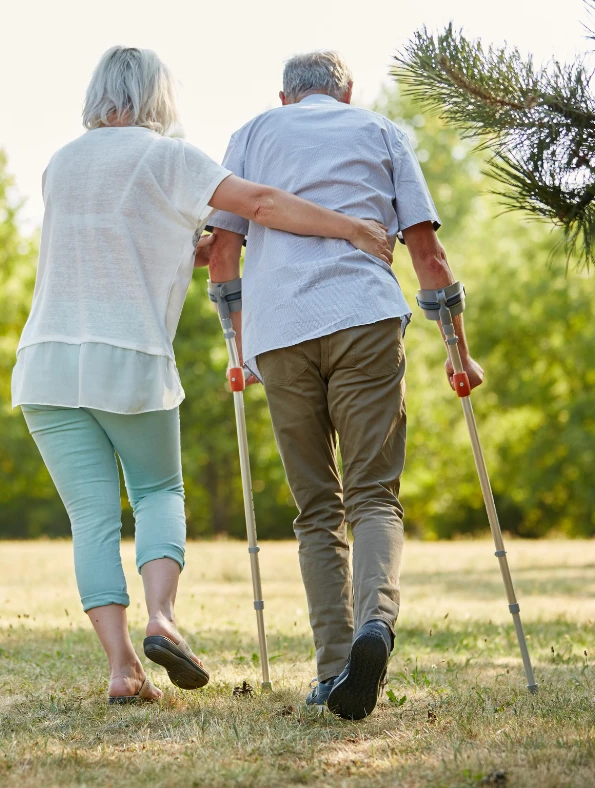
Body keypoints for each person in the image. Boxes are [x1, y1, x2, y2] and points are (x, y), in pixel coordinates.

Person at [11, 46, 393, 704]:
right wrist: (351, 229)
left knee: (92, 519)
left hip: (44, 363)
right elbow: (264, 205)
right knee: (159, 492)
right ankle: (162, 619)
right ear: (158, 96)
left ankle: (123, 668)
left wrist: (193, 251)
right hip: (128, 360)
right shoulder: (170, 158)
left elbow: (120, 243)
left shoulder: (60, 163)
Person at [206, 51, 485, 719]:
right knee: (374, 498)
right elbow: (427, 253)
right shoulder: (382, 131)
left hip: (280, 332)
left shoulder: (250, 135)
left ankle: (334, 672)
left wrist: (236, 348)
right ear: (348, 91)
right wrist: (458, 352)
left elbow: (222, 254)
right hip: (364, 317)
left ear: (284, 97)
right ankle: (375, 627)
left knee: (317, 510)